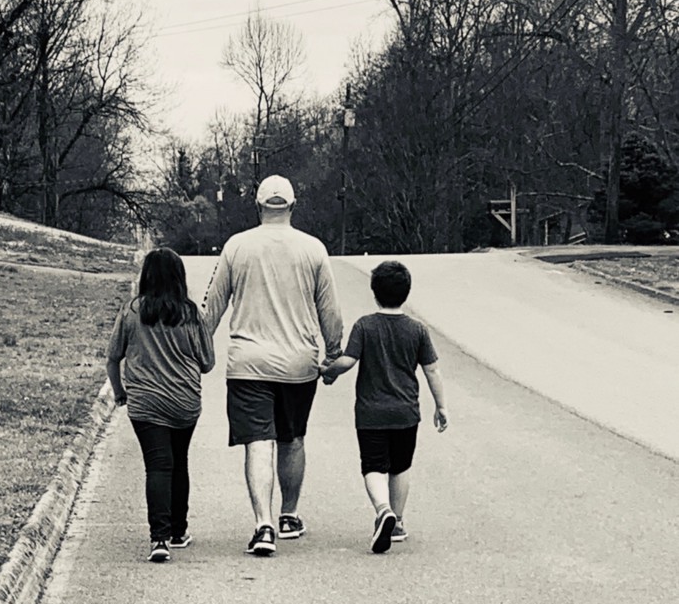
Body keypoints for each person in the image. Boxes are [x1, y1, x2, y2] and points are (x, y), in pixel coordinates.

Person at [203, 174, 343, 556]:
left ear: (259, 206)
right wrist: (332, 354)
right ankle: (289, 514)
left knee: (258, 442)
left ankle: (262, 525)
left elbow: (211, 306)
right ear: (292, 207)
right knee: (292, 438)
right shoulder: (313, 250)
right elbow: (329, 310)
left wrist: (198, 350)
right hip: (299, 363)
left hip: (248, 363)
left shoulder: (236, 247)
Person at [320, 260, 448, 553]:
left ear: (374, 292)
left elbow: (348, 361)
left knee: (373, 466)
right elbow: (432, 370)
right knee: (401, 467)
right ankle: (399, 521)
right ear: (407, 292)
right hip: (406, 412)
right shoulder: (417, 330)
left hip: (370, 413)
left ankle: (382, 510)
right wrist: (441, 406)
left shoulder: (365, 326)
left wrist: (326, 370)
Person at [107, 248, 215, 562]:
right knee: (178, 462)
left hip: (146, 404)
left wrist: (120, 393)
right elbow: (207, 362)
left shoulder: (131, 311)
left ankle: (159, 539)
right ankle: (179, 530)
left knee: (158, 466)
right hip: (184, 401)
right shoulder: (191, 313)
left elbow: (113, 358)